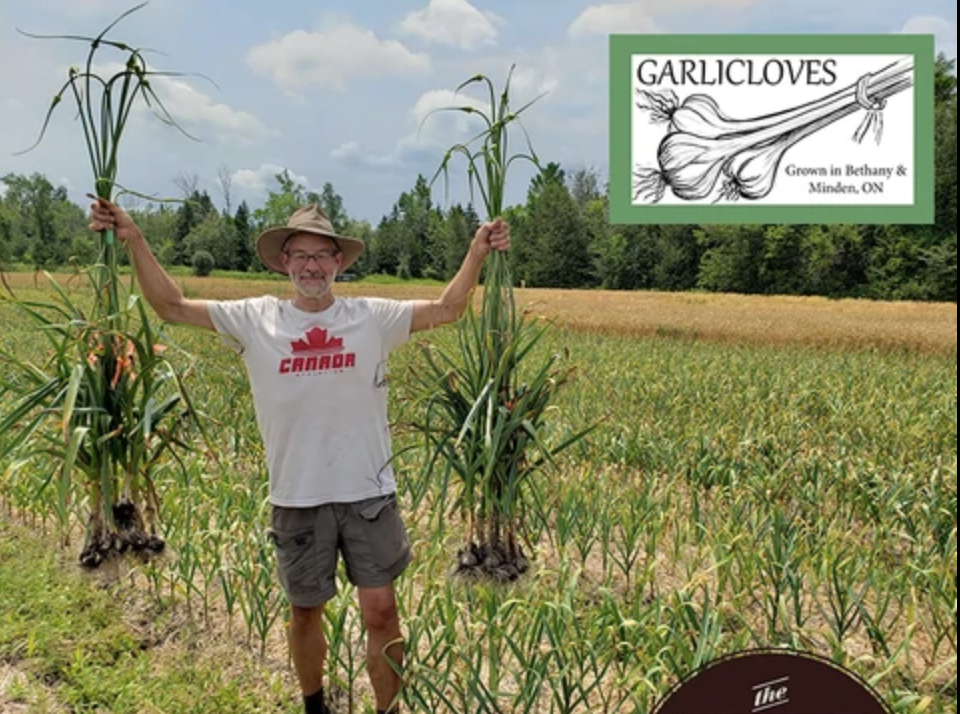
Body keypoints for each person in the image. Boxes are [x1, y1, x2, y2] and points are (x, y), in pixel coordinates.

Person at [89, 199, 510, 714]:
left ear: (338, 262)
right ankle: (314, 706)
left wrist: (477, 251)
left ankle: (389, 710)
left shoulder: (371, 318)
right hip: (297, 495)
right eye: (301, 255)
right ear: (284, 262)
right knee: (305, 612)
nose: (312, 266)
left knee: (382, 612)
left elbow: (448, 308)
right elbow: (171, 306)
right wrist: (133, 238)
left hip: (369, 494)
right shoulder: (255, 319)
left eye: (322, 255)